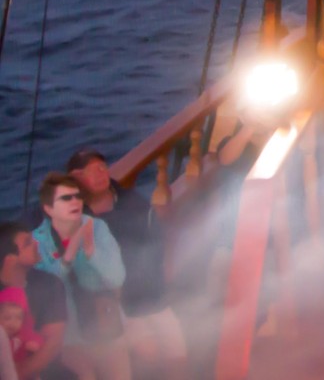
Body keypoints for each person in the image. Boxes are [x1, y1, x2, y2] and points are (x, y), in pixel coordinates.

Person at [67, 149, 188, 378]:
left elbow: (158, 241)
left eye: (102, 168)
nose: (101, 174)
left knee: (177, 352)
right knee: (148, 354)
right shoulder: (73, 218)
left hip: (150, 293)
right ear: (76, 178)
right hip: (112, 305)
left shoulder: (133, 203)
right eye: (91, 171)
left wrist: (164, 274)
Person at [32, 173, 130, 380]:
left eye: (77, 196)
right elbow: (46, 288)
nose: (74, 201)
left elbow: (117, 278)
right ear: (48, 209)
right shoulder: (38, 241)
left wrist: (92, 252)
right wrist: (67, 258)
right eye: (66, 198)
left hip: (104, 321)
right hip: (68, 334)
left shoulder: (97, 227)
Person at [0, 221, 77, 380]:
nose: (36, 243)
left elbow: (52, 343)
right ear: (10, 259)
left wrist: (15, 375)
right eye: (28, 243)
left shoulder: (49, 283)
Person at [0, 286, 44, 366]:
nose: (13, 323)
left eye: (18, 318)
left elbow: (35, 337)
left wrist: (35, 344)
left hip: (20, 368)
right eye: (7, 318)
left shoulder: (22, 334)